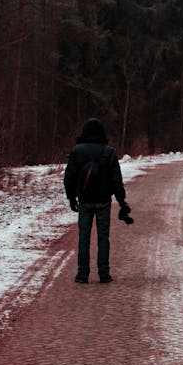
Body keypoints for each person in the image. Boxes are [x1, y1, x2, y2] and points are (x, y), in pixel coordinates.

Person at [64, 117, 132, 284]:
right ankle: (104, 273)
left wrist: (71, 197)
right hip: (103, 201)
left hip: (85, 201)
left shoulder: (76, 151)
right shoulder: (108, 152)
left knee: (84, 237)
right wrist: (122, 201)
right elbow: (116, 181)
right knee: (103, 237)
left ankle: (82, 274)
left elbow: (69, 178)